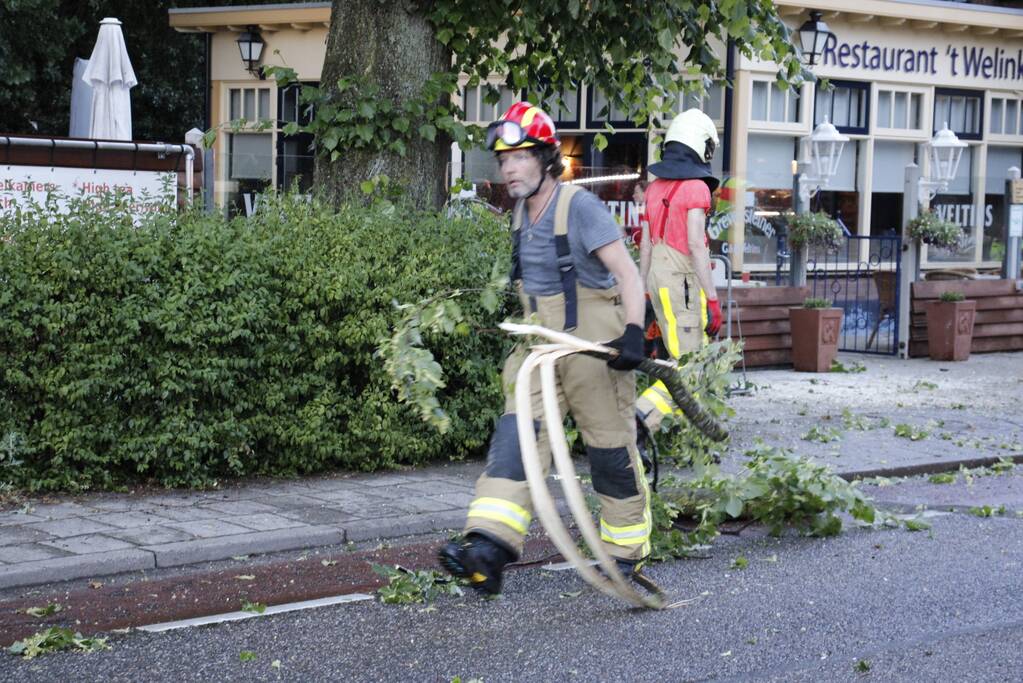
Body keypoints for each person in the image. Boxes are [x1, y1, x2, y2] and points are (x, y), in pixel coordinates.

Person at [439, 102, 652, 595]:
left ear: (545, 157)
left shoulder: (579, 207)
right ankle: (487, 549)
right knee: (515, 444)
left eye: (519, 157)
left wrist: (634, 332)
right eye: (503, 159)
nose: (509, 168)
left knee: (608, 452)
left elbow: (627, 273)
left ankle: (624, 556)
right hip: (537, 347)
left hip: (591, 346)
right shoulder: (518, 214)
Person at [635, 109, 724, 438]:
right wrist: (712, 299)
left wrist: (645, 290)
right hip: (683, 284)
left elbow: (645, 244)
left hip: (657, 280)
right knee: (692, 369)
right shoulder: (697, 189)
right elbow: (696, 246)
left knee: (674, 360)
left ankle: (686, 438)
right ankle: (641, 416)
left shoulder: (654, 189)